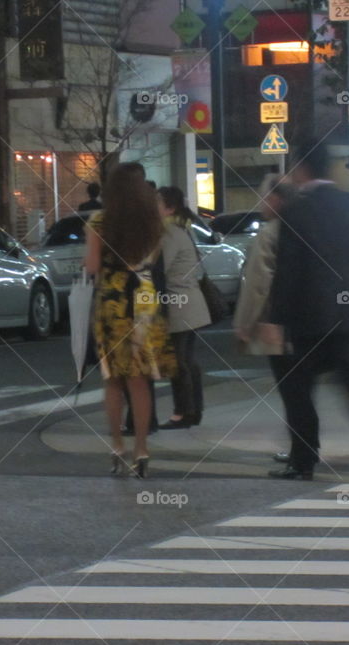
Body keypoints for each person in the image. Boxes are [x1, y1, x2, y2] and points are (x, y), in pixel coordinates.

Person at [266, 138, 349, 483]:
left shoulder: (295, 211)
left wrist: (276, 318)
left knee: (299, 392)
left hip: (308, 317)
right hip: (347, 316)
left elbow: (288, 270)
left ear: (302, 167)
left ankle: (303, 461)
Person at [85, 163, 174, 478]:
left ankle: (117, 447)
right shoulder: (153, 223)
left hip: (113, 300)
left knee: (113, 380)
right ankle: (142, 450)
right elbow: (154, 260)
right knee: (140, 379)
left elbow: (92, 265)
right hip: (145, 300)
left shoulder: (99, 222)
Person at [233, 176, 300, 464]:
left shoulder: (271, 232)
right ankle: (305, 448)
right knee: (303, 387)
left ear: (276, 199)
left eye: (263, 196)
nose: (260, 203)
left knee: (290, 388)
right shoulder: (305, 227)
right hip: (310, 321)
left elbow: (258, 284)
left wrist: (245, 323)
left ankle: (301, 450)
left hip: (277, 322)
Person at [155, 186, 211, 429]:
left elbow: (159, 269)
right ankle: (194, 409)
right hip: (191, 302)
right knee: (188, 360)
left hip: (179, 303)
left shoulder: (168, 232)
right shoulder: (181, 228)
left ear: (169, 207)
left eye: (156, 203)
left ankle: (183, 412)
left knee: (178, 361)